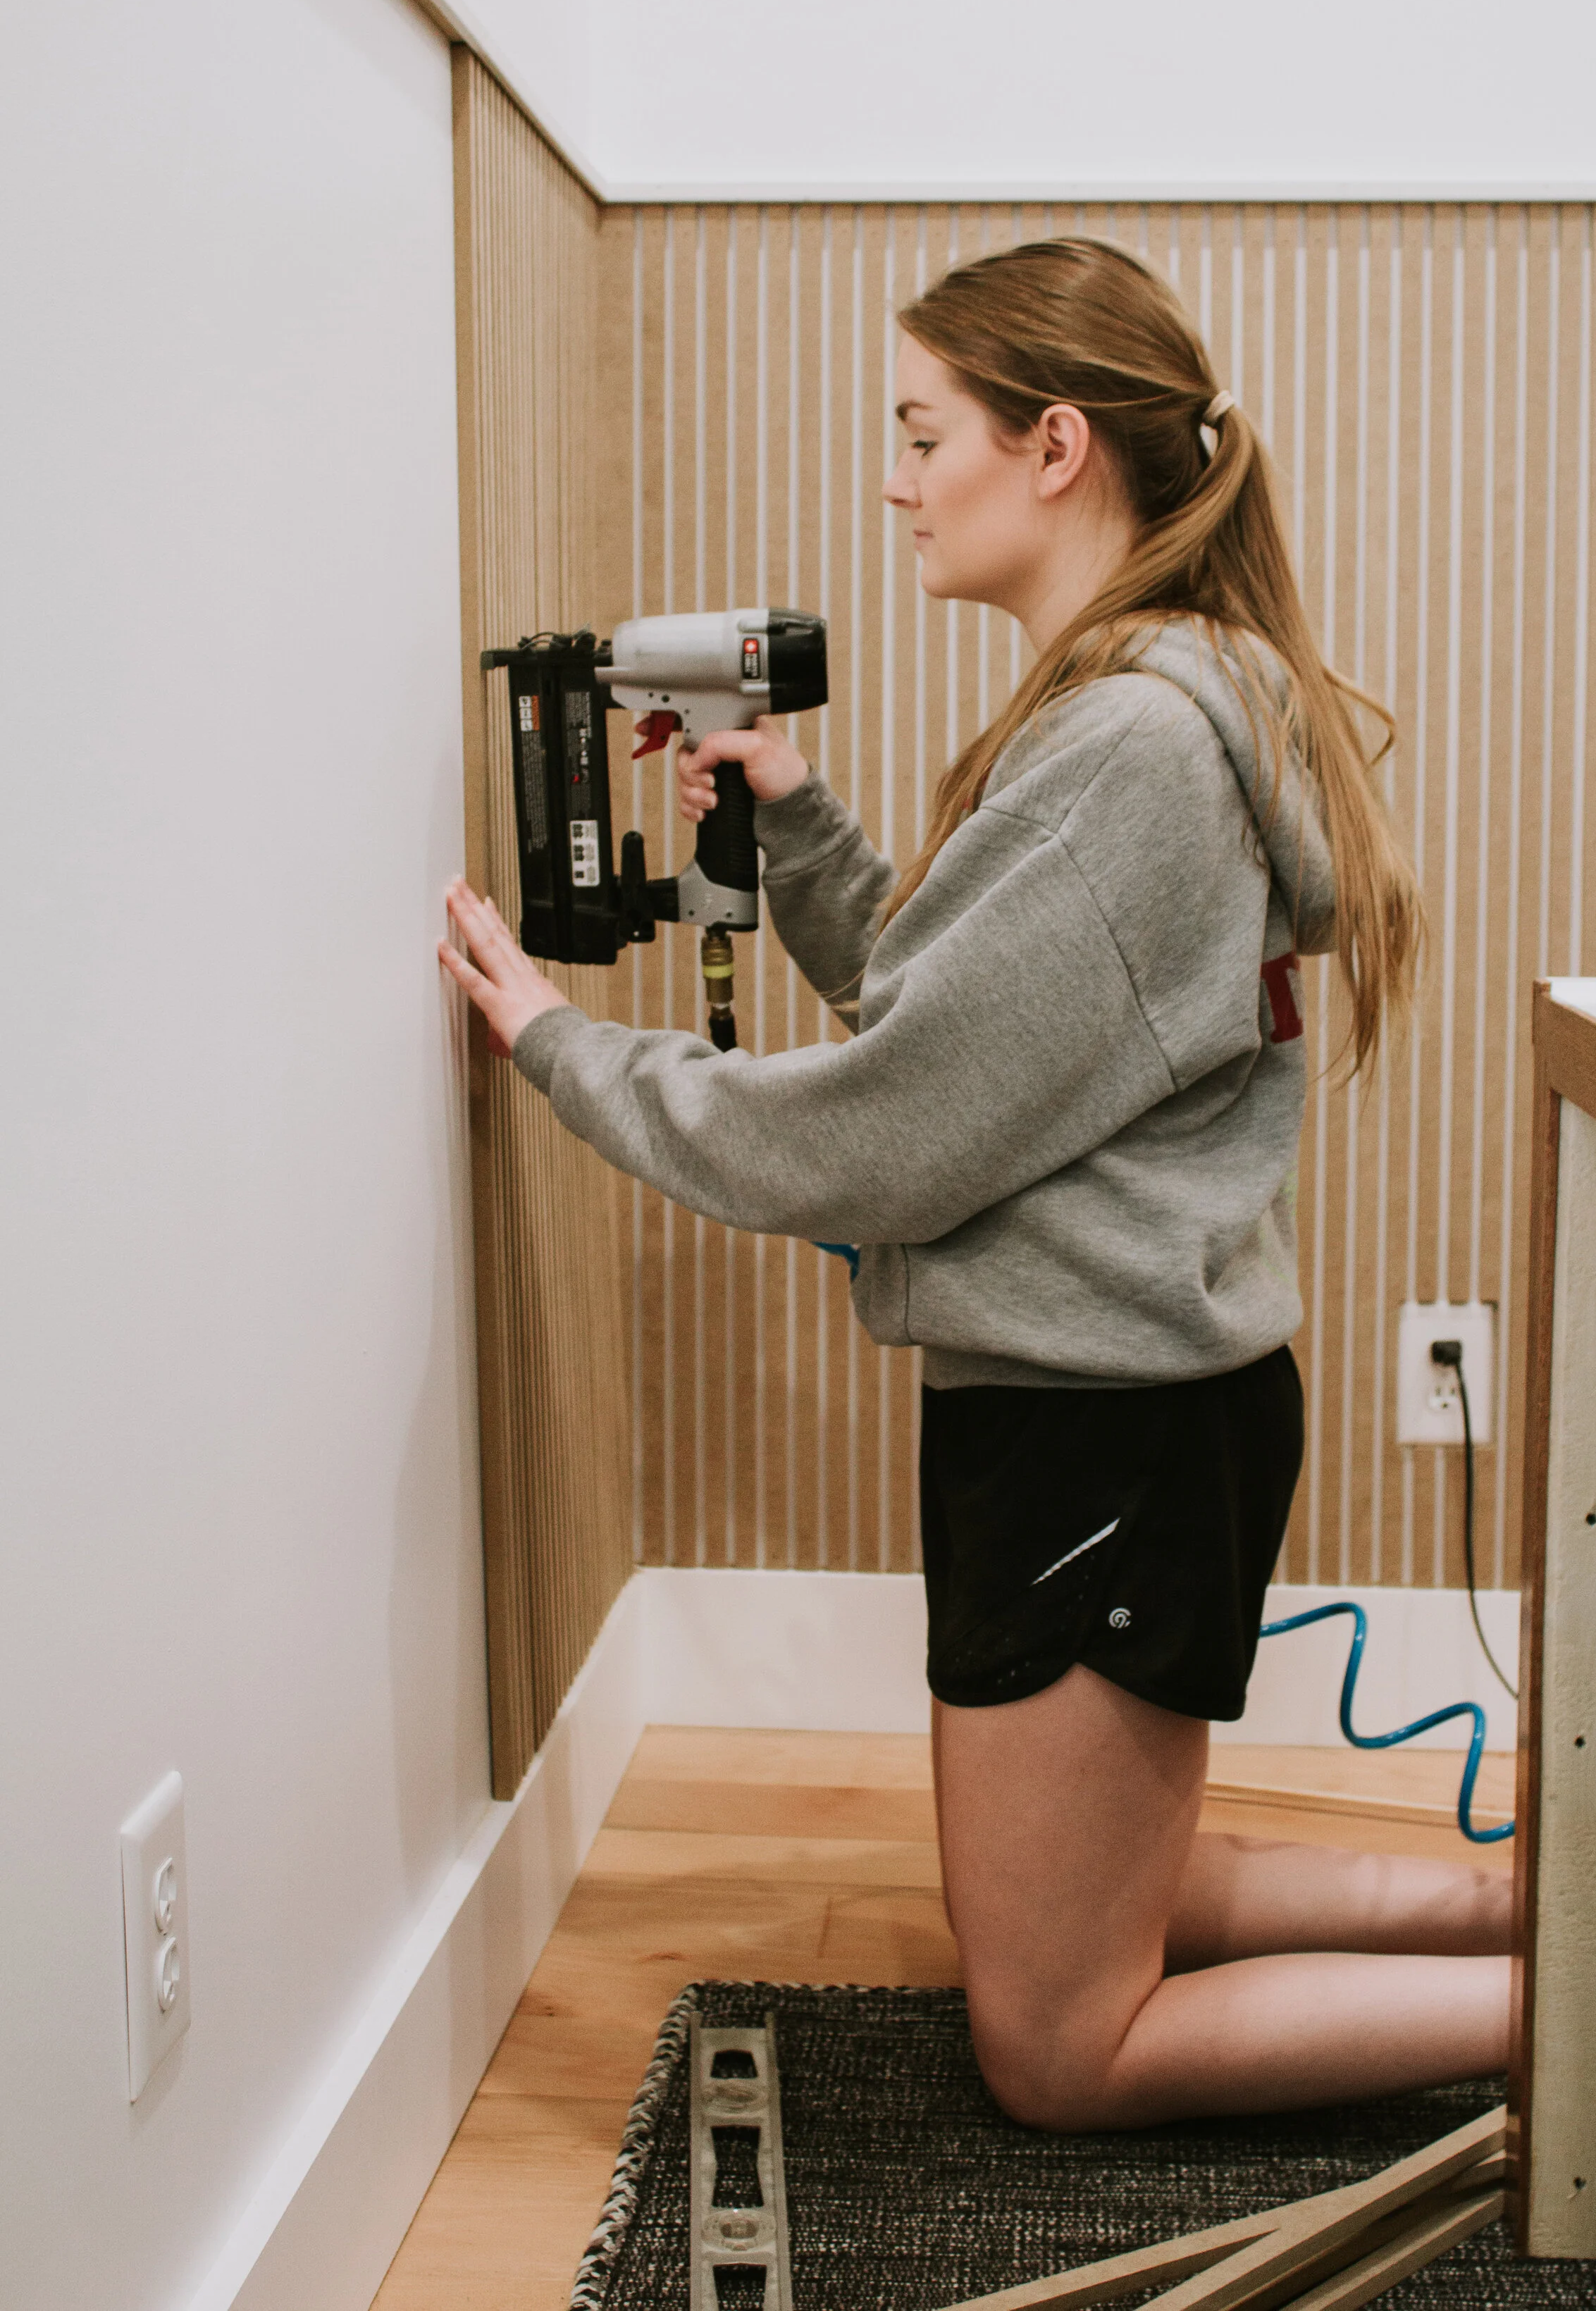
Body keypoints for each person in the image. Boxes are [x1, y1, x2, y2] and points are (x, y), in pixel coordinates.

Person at [438, 237, 1512, 2130]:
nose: (892, 473)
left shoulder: (1123, 744)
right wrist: (800, 830)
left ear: (1055, 444)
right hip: (1124, 1409)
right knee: (1124, 1885)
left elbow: (882, 1130)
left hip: (1097, 1431)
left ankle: (1590, 2018)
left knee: (1056, 2043)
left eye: (922, 428)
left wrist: (555, 1044)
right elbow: (990, 1025)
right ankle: (1542, 1917)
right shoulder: (1180, 697)